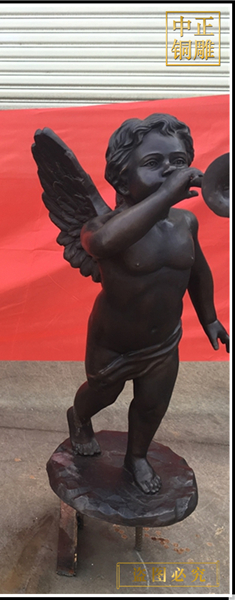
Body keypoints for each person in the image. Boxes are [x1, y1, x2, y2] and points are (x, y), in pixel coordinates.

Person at [67, 113, 229, 494]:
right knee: (102, 392)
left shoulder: (185, 223)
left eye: (178, 162)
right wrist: (165, 195)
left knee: (152, 403)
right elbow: (103, 244)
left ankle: (136, 457)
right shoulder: (102, 226)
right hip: (114, 342)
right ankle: (79, 417)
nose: (170, 171)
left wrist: (210, 318)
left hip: (164, 341)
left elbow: (198, 273)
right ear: (123, 179)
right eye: (154, 163)